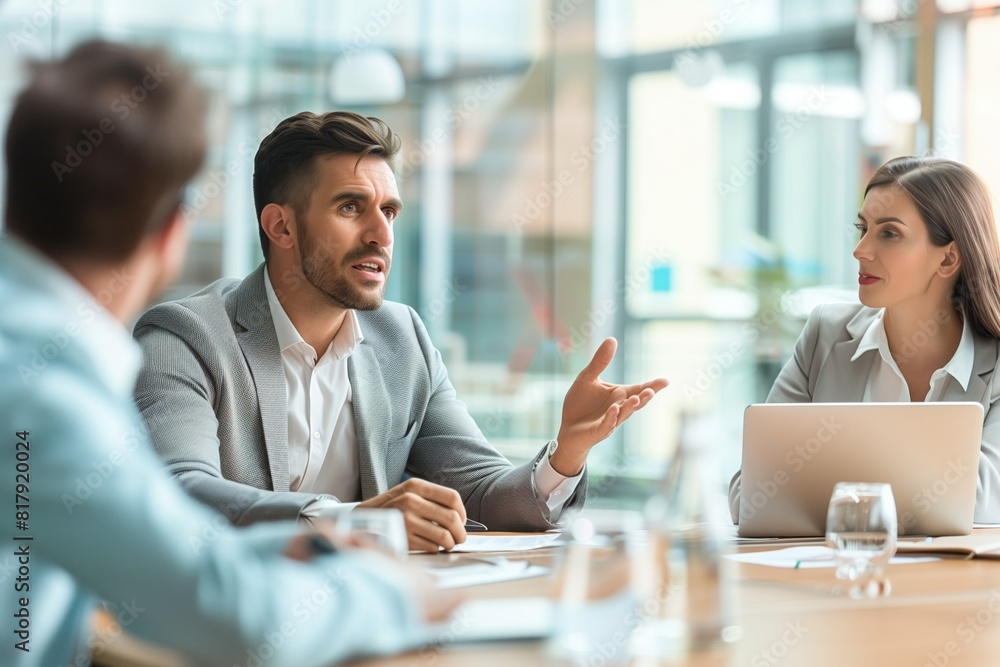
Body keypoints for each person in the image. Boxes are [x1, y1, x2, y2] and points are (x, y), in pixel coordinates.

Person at [0, 40, 450, 667]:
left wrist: (302, 549)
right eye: (351, 206)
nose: (380, 232)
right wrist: (388, 594)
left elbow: (149, 551)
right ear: (170, 234)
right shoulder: (44, 390)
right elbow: (233, 619)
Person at [133, 110, 669, 551]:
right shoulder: (184, 337)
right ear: (281, 226)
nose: (381, 235)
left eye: (389, 211)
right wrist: (347, 522)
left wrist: (565, 455)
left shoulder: (401, 337)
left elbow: (481, 490)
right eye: (351, 207)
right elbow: (179, 490)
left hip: (368, 618)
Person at [728, 156, 1000, 525]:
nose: (861, 250)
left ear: (948, 258)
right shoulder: (825, 334)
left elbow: (982, 502)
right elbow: (751, 494)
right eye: (864, 229)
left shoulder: (995, 362)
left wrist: (830, 475)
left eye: (889, 233)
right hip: (833, 575)